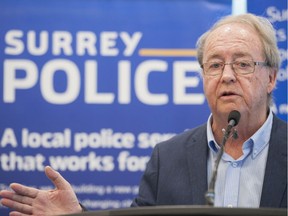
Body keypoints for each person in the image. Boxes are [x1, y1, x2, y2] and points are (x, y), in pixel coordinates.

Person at [0, 13, 287, 215]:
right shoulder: (168, 157)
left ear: (271, 78)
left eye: (242, 64)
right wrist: (77, 215)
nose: (226, 76)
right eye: (214, 65)